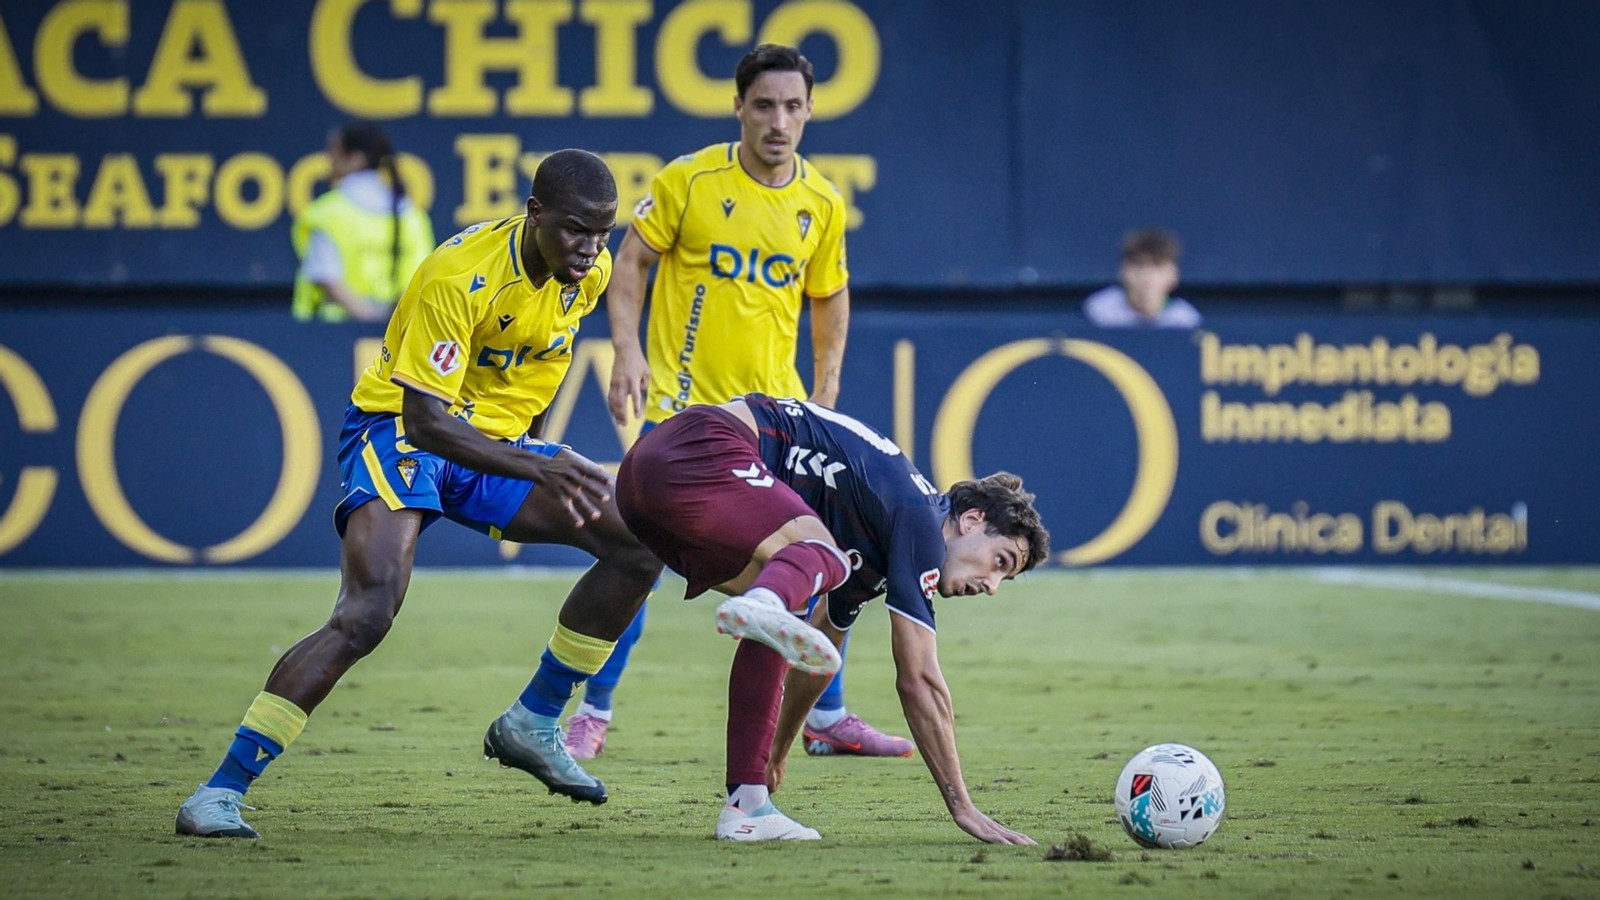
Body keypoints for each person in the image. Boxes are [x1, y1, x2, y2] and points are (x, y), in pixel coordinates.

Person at [175, 150, 664, 838]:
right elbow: (425, 422)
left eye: (603, 233)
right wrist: (535, 467)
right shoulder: (457, 276)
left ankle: (534, 719)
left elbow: (517, 383)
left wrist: (529, 453)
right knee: (369, 612)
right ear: (535, 214)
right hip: (400, 433)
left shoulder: (586, 275)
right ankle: (217, 793)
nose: (590, 250)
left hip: (491, 445)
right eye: (577, 231)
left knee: (638, 545)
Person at [570, 43, 910, 762]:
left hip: (776, 424)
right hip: (682, 415)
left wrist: (827, 387)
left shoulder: (820, 202)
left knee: (819, 555)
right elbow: (629, 260)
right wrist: (626, 348)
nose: (778, 121)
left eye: (792, 106)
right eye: (764, 106)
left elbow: (830, 293)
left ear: (811, 110)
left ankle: (824, 713)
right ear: (738, 109)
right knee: (637, 555)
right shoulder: (690, 182)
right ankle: (592, 708)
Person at [609, 394, 1051, 842]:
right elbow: (920, 680)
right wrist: (963, 807)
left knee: (788, 614)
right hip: (698, 448)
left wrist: (778, 750)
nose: (991, 586)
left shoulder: (880, 543)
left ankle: (748, 805)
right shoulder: (919, 521)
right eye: (1000, 561)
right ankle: (765, 598)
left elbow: (820, 651)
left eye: (1005, 578)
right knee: (821, 558)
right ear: (971, 520)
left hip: (643, 487)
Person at [291, 121, 435, 323]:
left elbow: (327, 279)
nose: (328, 157)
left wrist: (367, 321)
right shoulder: (413, 216)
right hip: (396, 335)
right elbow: (417, 280)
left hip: (331, 336)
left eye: (334, 150)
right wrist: (385, 325)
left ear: (356, 159)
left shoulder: (328, 213)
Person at [1082, 228, 1201, 328]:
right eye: (1139, 265)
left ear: (1173, 274)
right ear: (1123, 271)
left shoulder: (1186, 321)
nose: (1147, 276)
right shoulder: (1098, 310)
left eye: (1157, 266)